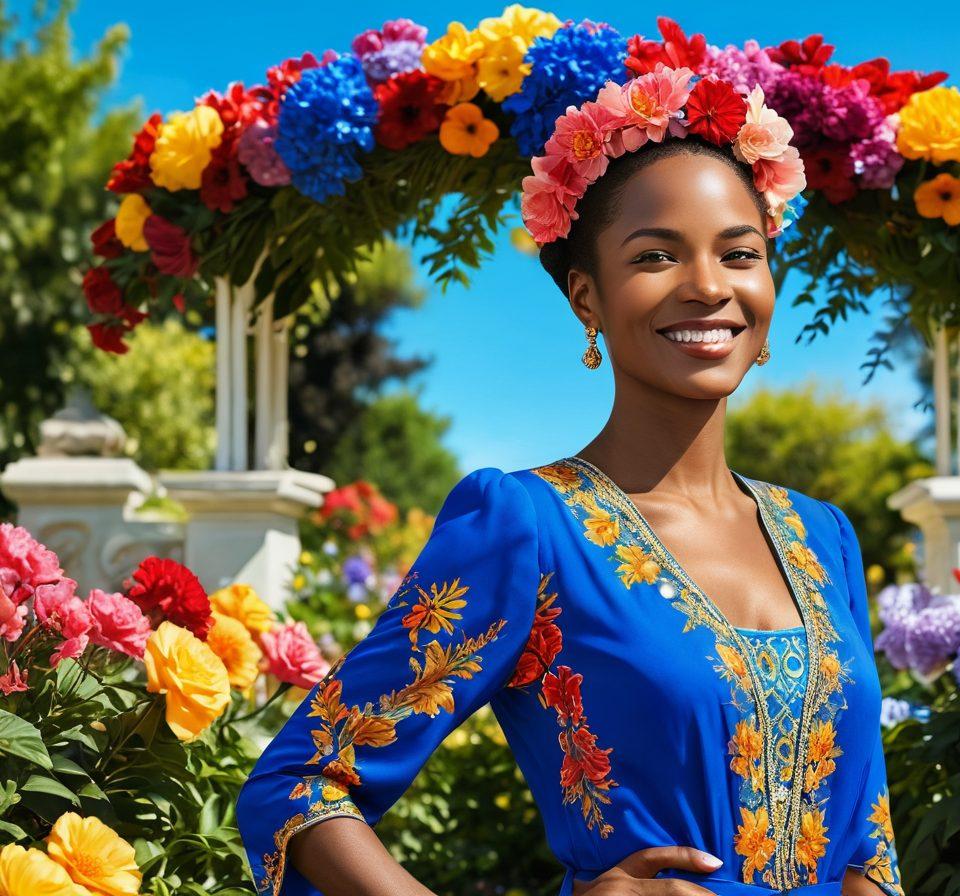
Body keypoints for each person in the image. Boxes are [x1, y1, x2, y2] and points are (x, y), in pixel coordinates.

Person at [236, 66, 904, 896]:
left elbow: (867, 837)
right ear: (587, 297)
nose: (708, 285)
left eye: (740, 254)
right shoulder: (528, 526)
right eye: (656, 255)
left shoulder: (823, 536)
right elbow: (300, 786)